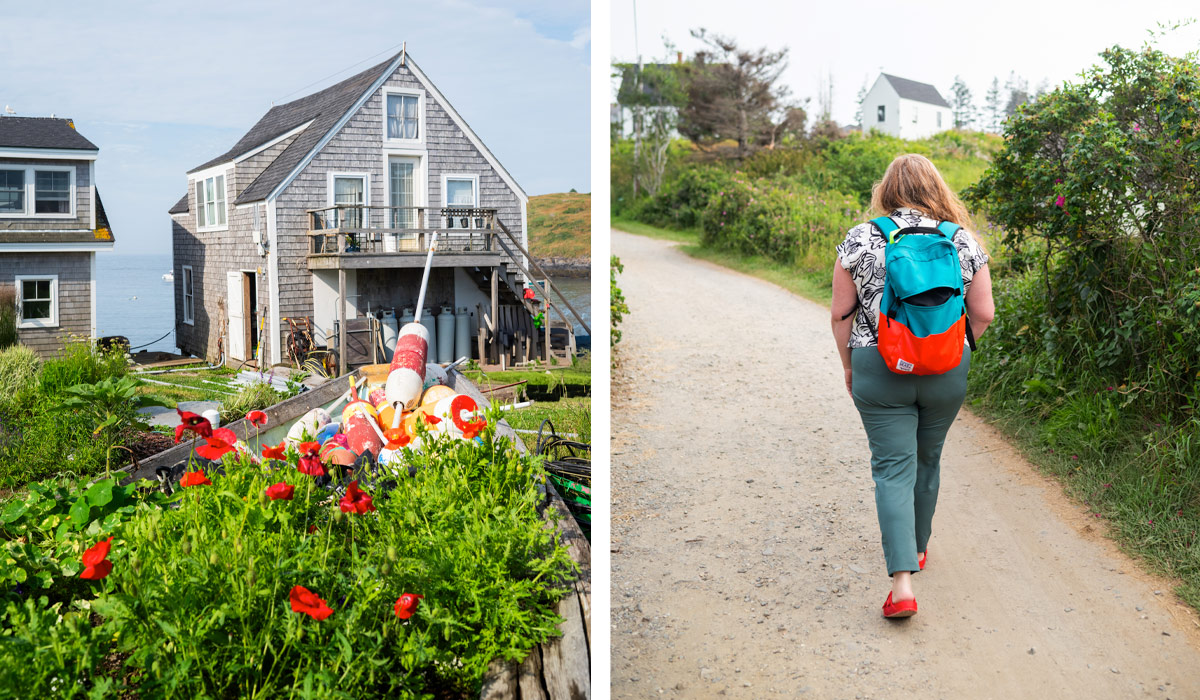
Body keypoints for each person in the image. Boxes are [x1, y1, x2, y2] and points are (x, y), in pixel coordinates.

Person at [830, 153, 995, 618]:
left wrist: (849, 365)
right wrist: (952, 350)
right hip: (946, 370)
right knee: (928, 457)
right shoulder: (961, 240)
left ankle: (903, 583)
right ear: (936, 188)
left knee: (891, 468)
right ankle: (919, 548)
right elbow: (983, 314)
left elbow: (840, 314)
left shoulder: (861, 237)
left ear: (887, 189)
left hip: (878, 365)